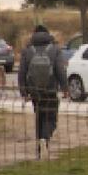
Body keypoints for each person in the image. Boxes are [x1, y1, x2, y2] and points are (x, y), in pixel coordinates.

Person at [17, 24, 67, 160]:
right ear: (48, 34)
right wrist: (65, 88)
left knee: (39, 117)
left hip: (34, 91)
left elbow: (22, 72)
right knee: (51, 118)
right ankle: (45, 138)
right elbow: (60, 70)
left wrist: (24, 91)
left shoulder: (27, 50)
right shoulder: (55, 49)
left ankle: (40, 148)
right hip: (50, 90)